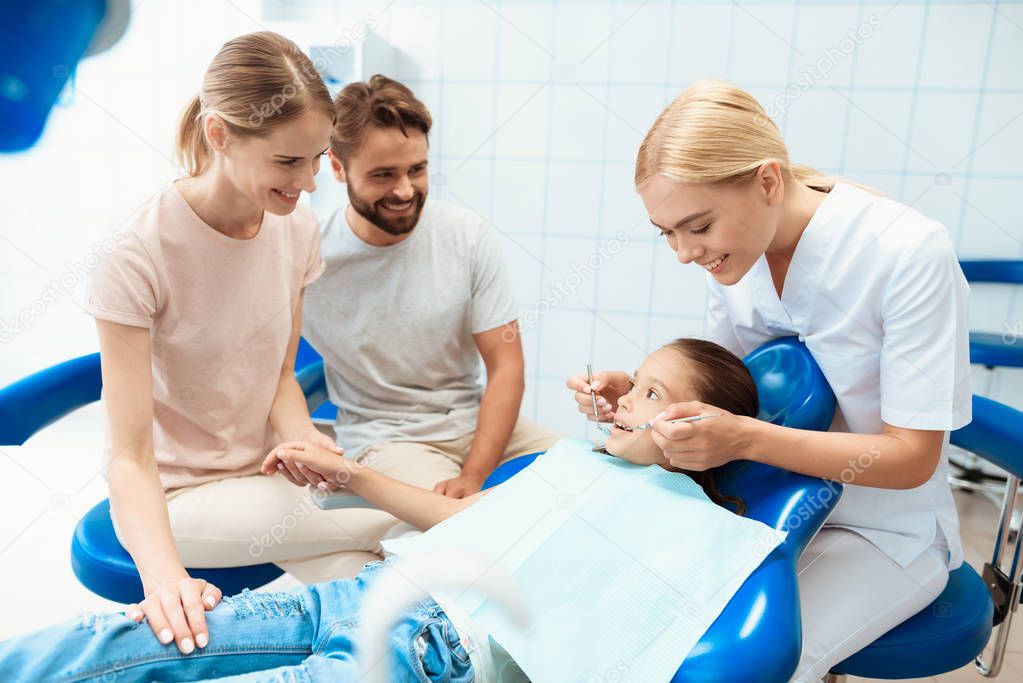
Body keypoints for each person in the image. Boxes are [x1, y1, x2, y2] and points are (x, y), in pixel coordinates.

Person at [0, 339, 758, 682]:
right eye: (636, 383)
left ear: (707, 429)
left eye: (652, 394)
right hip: (366, 593)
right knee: (143, 637)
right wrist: (348, 473)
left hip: (436, 653)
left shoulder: (700, 530)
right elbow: (453, 517)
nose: (625, 398)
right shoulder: (572, 461)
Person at [570, 80, 970, 681]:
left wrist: (744, 440)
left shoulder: (906, 253)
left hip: (884, 530)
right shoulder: (736, 250)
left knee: (750, 662)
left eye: (697, 227)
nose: (684, 252)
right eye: (668, 233)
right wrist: (638, 399)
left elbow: (912, 458)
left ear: (767, 181)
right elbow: (725, 393)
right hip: (761, 504)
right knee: (634, 623)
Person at [84, 31, 366, 655]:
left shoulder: (295, 230)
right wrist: (165, 579)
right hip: (179, 495)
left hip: (264, 475)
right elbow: (128, 458)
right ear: (219, 135)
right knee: (388, 524)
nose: (311, 183)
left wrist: (304, 440)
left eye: (318, 157)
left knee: (375, 573)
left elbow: (278, 378)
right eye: (289, 162)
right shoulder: (136, 253)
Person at [297, 76, 559, 579]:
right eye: (382, 175)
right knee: (471, 542)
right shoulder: (309, 255)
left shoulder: (465, 236)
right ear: (335, 166)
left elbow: (506, 368)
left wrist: (475, 473)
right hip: (389, 439)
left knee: (595, 484)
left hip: (476, 423)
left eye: (417, 169)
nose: (404, 190)